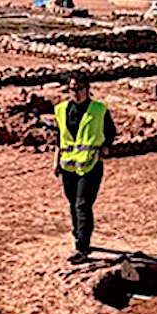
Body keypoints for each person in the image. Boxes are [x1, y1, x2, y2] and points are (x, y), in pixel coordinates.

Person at [53, 72, 116, 263]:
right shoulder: (61, 109)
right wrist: (55, 161)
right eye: (71, 89)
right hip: (69, 165)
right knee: (73, 203)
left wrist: (104, 148)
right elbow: (59, 136)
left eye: (79, 88)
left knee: (83, 204)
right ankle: (78, 236)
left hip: (90, 164)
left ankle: (82, 246)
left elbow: (110, 132)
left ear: (87, 89)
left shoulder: (99, 109)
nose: (75, 92)